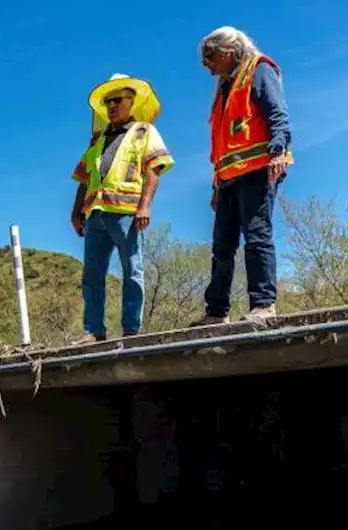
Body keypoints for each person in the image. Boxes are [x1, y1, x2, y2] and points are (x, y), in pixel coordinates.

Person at [193, 26, 292, 326]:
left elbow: (278, 113)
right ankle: (216, 312)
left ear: (226, 51)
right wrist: (215, 184)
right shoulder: (224, 89)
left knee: (257, 236)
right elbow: (223, 142)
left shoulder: (259, 70)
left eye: (209, 58)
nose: (207, 67)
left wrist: (278, 151)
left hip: (257, 171)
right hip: (227, 180)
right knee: (221, 246)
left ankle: (263, 305)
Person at [71, 73, 174, 342]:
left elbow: (154, 169)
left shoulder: (144, 132)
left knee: (132, 268)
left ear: (131, 102)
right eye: (107, 102)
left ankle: (131, 330)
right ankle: (94, 330)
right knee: (92, 274)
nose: (111, 106)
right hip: (95, 213)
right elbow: (84, 177)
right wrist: (76, 211)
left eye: (117, 100)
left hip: (127, 212)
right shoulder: (96, 140)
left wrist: (145, 206)